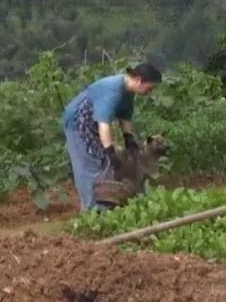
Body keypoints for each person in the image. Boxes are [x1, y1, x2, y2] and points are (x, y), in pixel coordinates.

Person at [61, 62, 161, 212]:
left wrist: (129, 138)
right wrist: (110, 151)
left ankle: (104, 205)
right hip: (78, 123)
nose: (150, 92)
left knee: (104, 163)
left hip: (93, 123)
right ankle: (91, 211)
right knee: (88, 166)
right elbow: (104, 124)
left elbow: (125, 117)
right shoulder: (113, 90)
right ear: (139, 80)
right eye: (150, 88)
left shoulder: (128, 92)